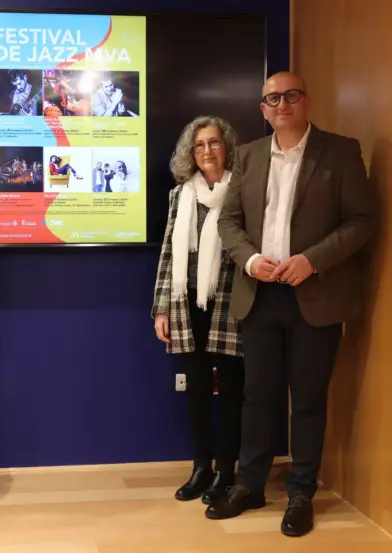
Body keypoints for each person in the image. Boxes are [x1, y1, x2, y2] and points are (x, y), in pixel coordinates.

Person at [209, 72, 376, 537]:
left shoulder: (340, 152)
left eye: (290, 95)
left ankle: (301, 492)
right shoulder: (247, 155)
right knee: (257, 397)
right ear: (262, 109)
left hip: (315, 296)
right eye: (272, 98)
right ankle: (251, 485)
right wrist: (251, 260)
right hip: (260, 295)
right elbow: (229, 222)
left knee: (307, 399)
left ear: (306, 101)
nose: (281, 104)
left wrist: (313, 260)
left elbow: (362, 220)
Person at [152, 116, 245, 506]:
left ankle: (226, 470)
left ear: (227, 147)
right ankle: (202, 467)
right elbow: (167, 253)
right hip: (187, 303)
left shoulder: (241, 190)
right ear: (191, 152)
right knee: (197, 391)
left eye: (214, 143)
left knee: (233, 390)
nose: (207, 151)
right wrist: (161, 309)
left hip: (231, 302)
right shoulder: (181, 195)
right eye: (199, 145)